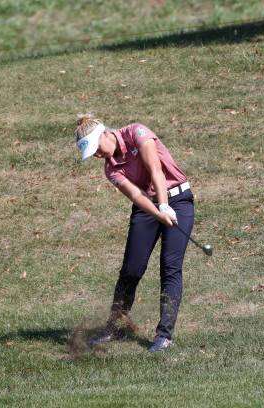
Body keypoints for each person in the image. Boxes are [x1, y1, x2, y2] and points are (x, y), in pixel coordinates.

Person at [74, 113, 194, 352]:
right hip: (147, 208)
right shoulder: (111, 169)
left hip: (178, 199)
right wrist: (159, 212)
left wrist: (165, 205)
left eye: (97, 148)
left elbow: (156, 170)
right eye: (94, 154)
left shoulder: (137, 133)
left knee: (170, 267)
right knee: (131, 269)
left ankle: (164, 335)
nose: (98, 155)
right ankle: (116, 327)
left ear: (105, 134)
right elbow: (137, 196)